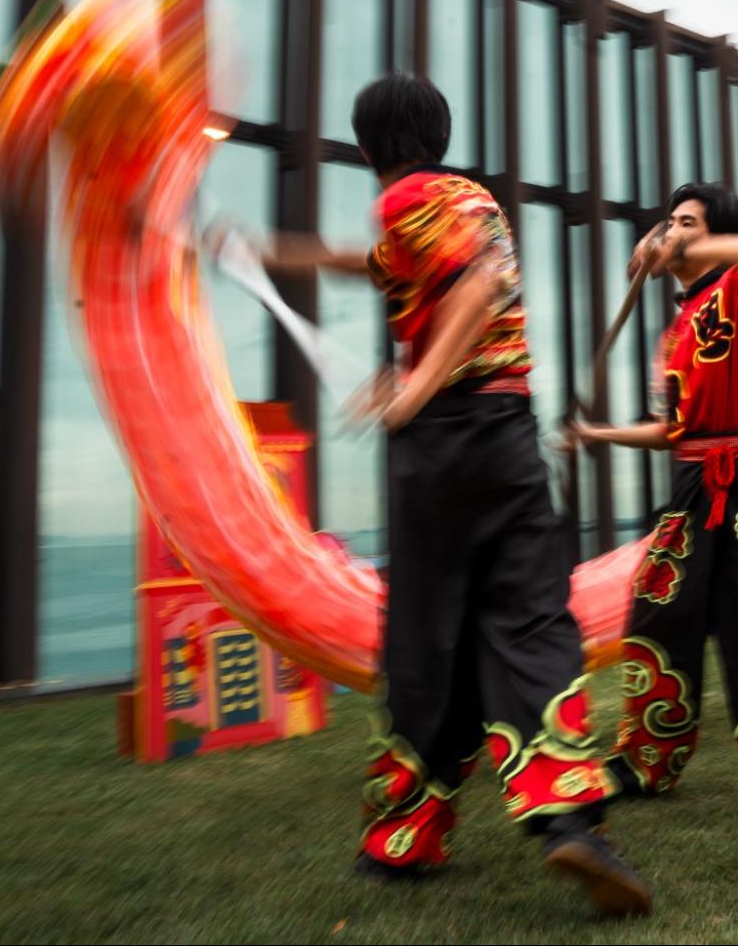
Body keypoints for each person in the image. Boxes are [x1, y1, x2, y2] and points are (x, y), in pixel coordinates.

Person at [248, 72, 648, 915]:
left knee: (426, 638)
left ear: (366, 149)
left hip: (440, 445)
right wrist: (276, 251)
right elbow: (399, 266)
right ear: (438, 131)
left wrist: (417, 384)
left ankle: (403, 836)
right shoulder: (460, 202)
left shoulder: (414, 199)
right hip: (505, 436)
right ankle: (569, 818)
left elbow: (480, 283)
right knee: (529, 620)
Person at [572, 183, 738, 808]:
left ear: (717, 235)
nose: (672, 230)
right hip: (692, 485)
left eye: (686, 221)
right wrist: (600, 431)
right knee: (659, 612)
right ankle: (646, 761)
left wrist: (681, 242)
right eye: (669, 221)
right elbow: (671, 430)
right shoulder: (677, 329)